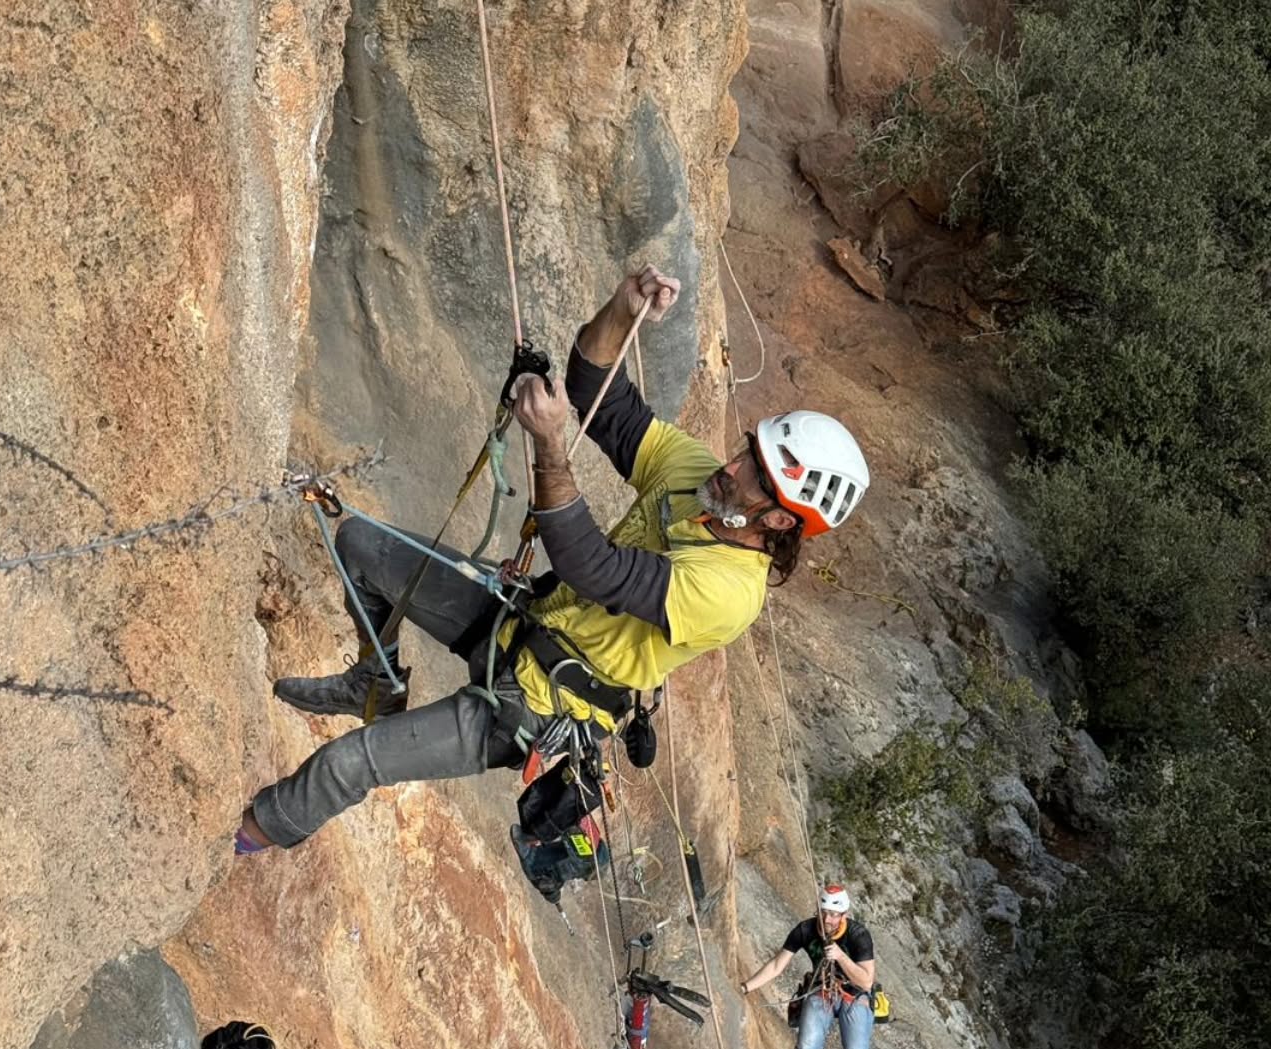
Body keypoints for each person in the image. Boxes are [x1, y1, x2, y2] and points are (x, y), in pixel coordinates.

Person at [235, 265, 870, 856]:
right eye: (745, 453)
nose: (730, 469)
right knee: (361, 547)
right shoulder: (696, 480)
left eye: (754, 477)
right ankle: (375, 682)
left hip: (536, 707)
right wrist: (622, 311)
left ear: (781, 520)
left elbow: (594, 567)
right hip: (520, 623)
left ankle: (241, 837)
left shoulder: (730, 592)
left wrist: (548, 445)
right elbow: (604, 397)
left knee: (346, 764)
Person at [741, 883, 878, 1049]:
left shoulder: (859, 935)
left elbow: (866, 980)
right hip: (822, 990)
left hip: (854, 997)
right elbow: (777, 965)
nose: (827, 920)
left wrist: (840, 956)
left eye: (833, 915)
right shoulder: (805, 929)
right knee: (806, 1046)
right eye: (824, 912)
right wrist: (746, 987)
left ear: (844, 915)